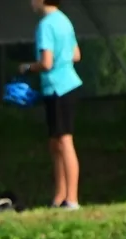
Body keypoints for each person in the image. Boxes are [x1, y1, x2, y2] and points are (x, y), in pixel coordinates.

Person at [20, 1, 83, 209]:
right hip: (66, 85)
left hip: (59, 88)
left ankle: (72, 199)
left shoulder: (45, 25)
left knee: (64, 141)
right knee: (55, 143)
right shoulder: (64, 20)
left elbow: (46, 62)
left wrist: (27, 67)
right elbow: (76, 54)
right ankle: (60, 196)